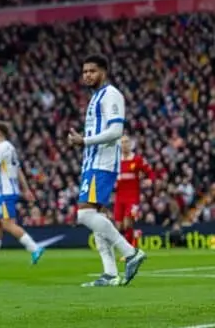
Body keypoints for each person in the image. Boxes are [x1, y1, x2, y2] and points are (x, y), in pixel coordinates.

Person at [68, 54, 147, 287]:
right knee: (98, 218)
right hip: (91, 163)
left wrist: (84, 141)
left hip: (101, 164)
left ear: (104, 71)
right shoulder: (96, 98)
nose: (87, 75)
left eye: (92, 71)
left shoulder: (111, 95)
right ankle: (110, 274)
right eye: (84, 72)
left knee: (84, 215)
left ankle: (131, 253)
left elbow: (116, 131)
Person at [0, 122, 44, 265]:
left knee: (7, 224)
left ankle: (35, 248)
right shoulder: (11, 147)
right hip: (7, 191)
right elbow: (18, 170)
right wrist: (26, 189)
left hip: (6, 192)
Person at [115, 135, 154, 247]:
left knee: (128, 224)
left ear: (130, 144)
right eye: (122, 142)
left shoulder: (137, 159)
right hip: (119, 197)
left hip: (132, 197)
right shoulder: (116, 161)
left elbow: (150, 172)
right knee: (119, 227)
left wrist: (150, 180)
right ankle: (135, 236)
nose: (124, 144)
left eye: (127, 142)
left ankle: (129, 251)